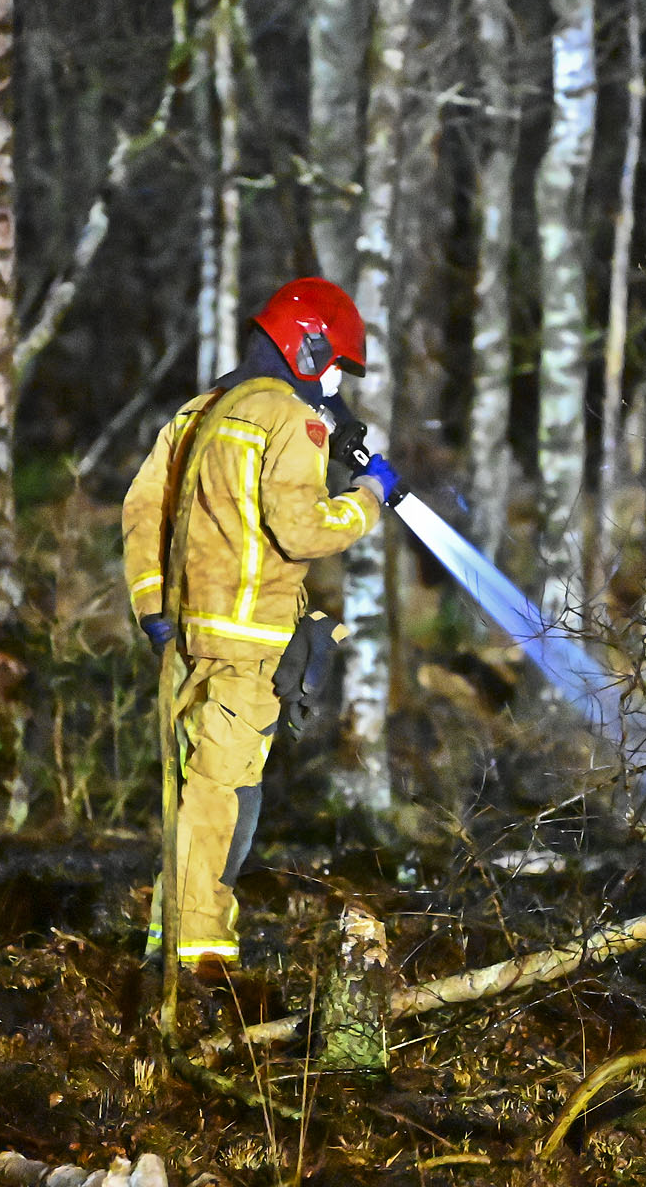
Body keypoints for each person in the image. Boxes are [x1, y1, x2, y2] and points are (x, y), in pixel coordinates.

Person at [122, 277, 399, 970]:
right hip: (248, 649)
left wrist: (153, 608)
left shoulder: (197, 412)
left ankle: (168, 947)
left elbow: (143, 508)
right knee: (226, 800)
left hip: (187, 640)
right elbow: (303, 528)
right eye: (336, 365)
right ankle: (200, 961)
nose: (337, 382)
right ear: (308, 350)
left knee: (193, 794)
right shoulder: (287, 418)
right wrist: (369, 497)